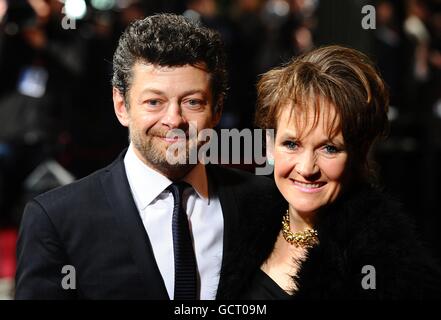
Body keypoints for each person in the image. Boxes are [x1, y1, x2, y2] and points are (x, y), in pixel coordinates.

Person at [15, 13, 282, 300]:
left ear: (217, 109)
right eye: (154, 102)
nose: (174, 120)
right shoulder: (57, 220)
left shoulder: (265, 201)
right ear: (122, 106)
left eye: (192, 102)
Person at [217, 45, 441, 299]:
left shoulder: (386, 262)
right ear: (270, 145)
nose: (306, 168)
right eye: (291, 144)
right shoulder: (237, 219)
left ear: (358, 153)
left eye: (329, 148)